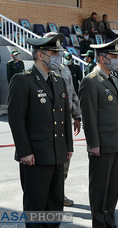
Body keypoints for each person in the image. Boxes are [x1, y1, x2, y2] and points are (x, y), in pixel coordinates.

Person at [8, 33, 73, 228]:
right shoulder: (23, 80)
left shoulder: (59, 80)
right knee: (36, 201)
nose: (57, 57)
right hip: (35, 154)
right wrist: (24, 151)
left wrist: (69, 147)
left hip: (57, 152)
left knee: (54, 201)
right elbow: (16, 120)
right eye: (53, 53)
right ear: (39, 54)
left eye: (58, 53)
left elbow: (64, 116)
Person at [78, 38, 118, 228]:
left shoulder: (113, 78)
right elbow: (89, 116)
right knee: (100, 186)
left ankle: (110, 222)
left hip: (117, 142)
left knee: (112, 186)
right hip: (103, 144)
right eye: (113, 57)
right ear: (102, 59)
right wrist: (93, 144)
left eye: (117, 56)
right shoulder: (90, 81)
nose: (117, 60)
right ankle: (98, 225)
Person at [43, 32, 82, 207]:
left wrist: (77, 116)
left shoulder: (65, 69)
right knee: (47, 160)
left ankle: (60, 192)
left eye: (59, 48)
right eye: (54, 49)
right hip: (47, 123)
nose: (57, 53)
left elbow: (72, 93)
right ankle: (46, 195)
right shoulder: (41, 70)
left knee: (65, 159)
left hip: (65, 121)